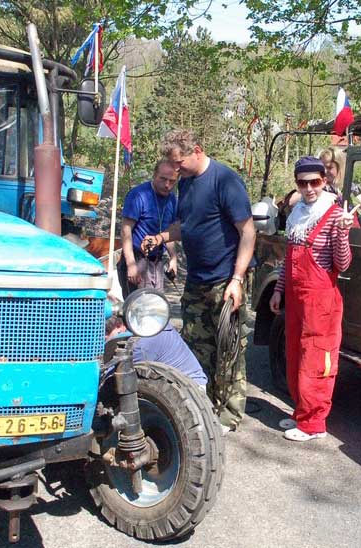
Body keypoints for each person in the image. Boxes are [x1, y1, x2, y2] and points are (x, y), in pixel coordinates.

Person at [142, 129, 255, 433]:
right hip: (197, 279)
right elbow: (187, 225)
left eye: (179, 163)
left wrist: (237, 279)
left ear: (197, 150)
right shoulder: (187, 183)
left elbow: (247, 232)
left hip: (226, 279)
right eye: (171, 164)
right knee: (194, 346)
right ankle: (201, 407)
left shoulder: (224, 180)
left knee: (228, 347)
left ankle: (228, 416)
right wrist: (161, 237)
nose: (175, 169)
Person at [269, 156, 354, 442]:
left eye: (314, 182)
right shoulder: (297, 214)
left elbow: (342, 264)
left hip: (321, 302)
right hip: (296, 299)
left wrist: (343, 232)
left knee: (315, 359)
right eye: (302, 183)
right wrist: (279, 290)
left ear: (324, 181)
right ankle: (301, 413)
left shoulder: (333, 215)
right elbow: (288, 260)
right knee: (294, 355)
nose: (309, 189)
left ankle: (314, 423)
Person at [118, 160, 179, 296]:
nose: (167, 185)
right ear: (154, 175)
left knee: (156, 305)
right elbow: (125, 230)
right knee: (137, 306)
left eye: (172, 181)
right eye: (163, 179)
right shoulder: (139, 195)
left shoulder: (172, 200)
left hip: (157, 262)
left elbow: (169, 232)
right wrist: (131, 264)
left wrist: (173, 257)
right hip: (137, 259)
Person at [106, 317, 208, 389]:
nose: (105, 341)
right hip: (187, 382)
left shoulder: (143, 343)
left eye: (106, 335)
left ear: (119, 327)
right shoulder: (154, 323)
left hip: (190, 389)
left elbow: (119, 372)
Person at [287, 147, 361, 214]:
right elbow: (292, 201)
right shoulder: (316, 184)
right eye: (322, 167)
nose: (325, 171)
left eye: (329, 167)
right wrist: (323, 194)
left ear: (339, 167)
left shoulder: (349, 186)